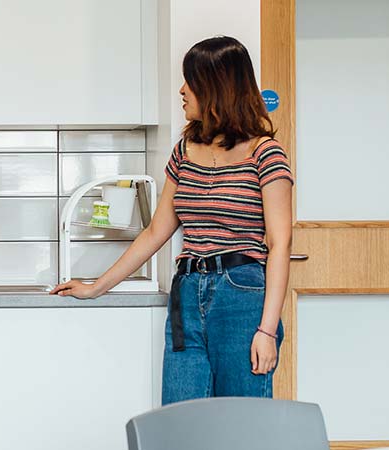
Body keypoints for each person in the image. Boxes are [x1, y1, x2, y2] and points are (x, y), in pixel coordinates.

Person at [51, 36, 294, 404]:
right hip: (187, 294)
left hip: (242, 296)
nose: (182, 91)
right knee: (182, 423)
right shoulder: (184, 151)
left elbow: (280, 245)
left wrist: (267, 329)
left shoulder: (265, 153)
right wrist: (96, 286)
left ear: (216, 88)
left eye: (190, 82)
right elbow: (155, 232)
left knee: (242, 427)